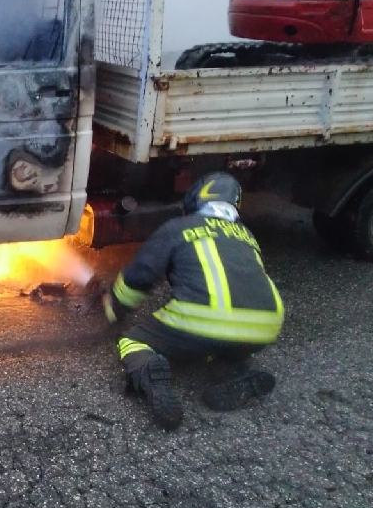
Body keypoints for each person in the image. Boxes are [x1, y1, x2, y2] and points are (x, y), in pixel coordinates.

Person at [102, 172, 284, 430]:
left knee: (133, 340)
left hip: (201, 321)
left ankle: (150, 375)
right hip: (263, 328)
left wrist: (114, 307)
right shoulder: (246, 235)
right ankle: (233, 370)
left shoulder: (179, 227)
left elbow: (141, 275)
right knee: (219, 347)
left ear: (196, 197)